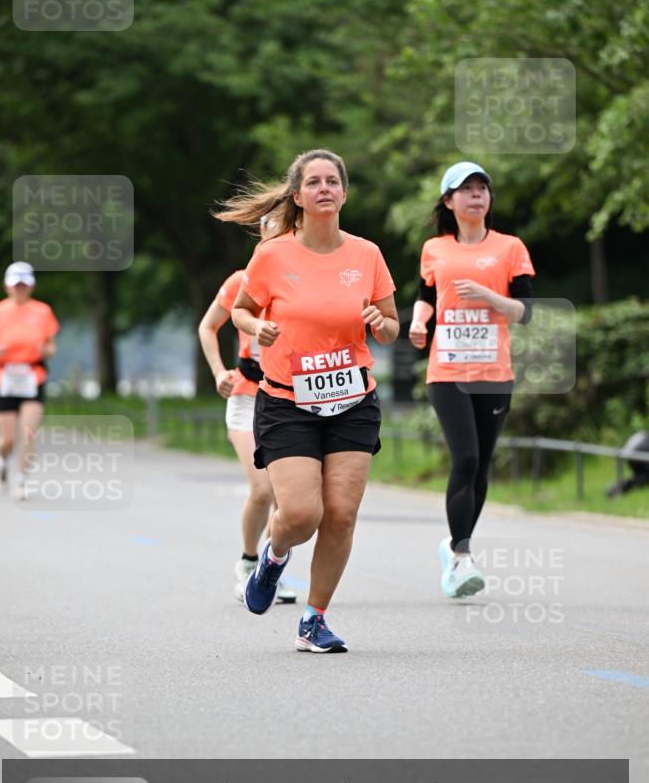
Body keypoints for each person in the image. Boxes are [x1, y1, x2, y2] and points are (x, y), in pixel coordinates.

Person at [216, 148, 399, 653]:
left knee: (340, 514)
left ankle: (314, 620)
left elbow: (390, 325)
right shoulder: (273, 254)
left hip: (352, 399)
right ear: (297, 196)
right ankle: (273, 558)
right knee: (300, 515)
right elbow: (240, 311)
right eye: (314, 182)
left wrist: (383, 325)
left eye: (332, 181)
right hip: (286, 401)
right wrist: (259, 326)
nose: (324, 188)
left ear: (343, 193)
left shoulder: (367, 254)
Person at [409, 161, 535, 598]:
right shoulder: (434, 250)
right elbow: (427, 296)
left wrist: (487, 296)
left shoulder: (509, 248)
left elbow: (525, 311)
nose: (476, 195)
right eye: (466, 189)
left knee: (481, 464)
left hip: (494, 372)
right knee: (464, 458)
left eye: (482, 188)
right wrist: (419, 323)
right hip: (446, 371)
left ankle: (453, 545)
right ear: (449, 201)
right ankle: (462, 557)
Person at [198, 217, 296, 604]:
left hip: (289, 396)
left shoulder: (303, 278)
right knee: (262, 487)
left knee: (290, 497)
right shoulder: (242, 279)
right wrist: (219, 371)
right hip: (246, 394)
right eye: (274, 229)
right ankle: (247, 561)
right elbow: (208, 327)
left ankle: (270, 570)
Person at [0, 262, 59, 500]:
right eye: (16, 286)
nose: (20, 290)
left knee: (28, 433)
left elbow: (51, 345)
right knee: (8, 438)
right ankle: (2, 459)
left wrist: (46, 350)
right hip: (4, 377)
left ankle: (22, 480)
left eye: (24, 285)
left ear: (31, 286)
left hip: (31, 377)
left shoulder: (42, 311)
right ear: (7, 287)